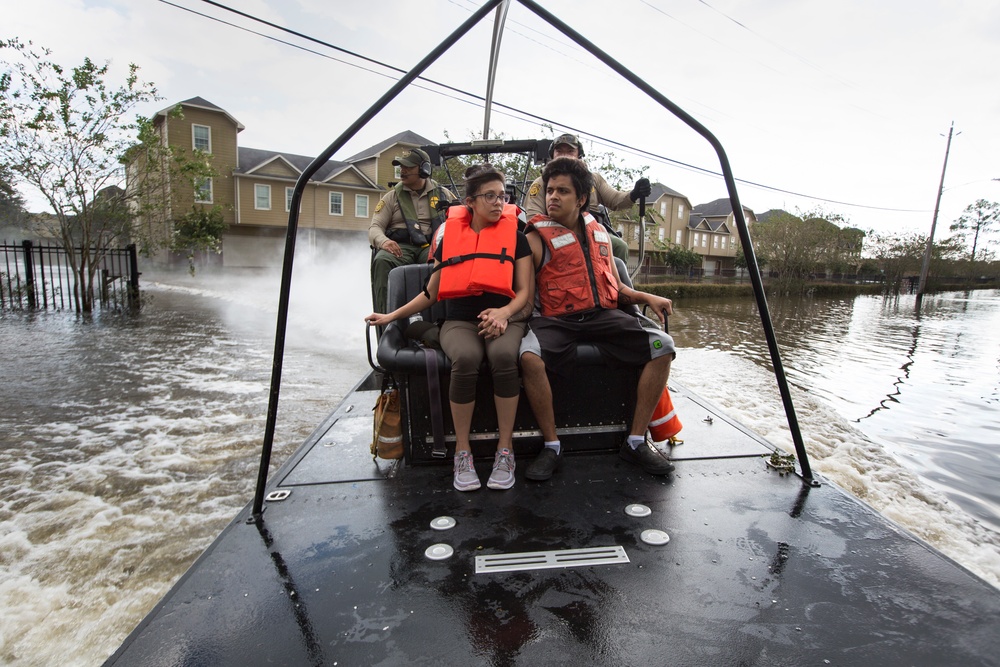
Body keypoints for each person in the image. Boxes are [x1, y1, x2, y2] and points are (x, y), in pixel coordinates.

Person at [365, 164, 534, 492]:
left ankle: (505, 449)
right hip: (459, 319)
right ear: (470, 201)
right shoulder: (451, 240)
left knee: (502, 356)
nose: (499, 203)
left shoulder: (517, 239)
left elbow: (525, 291)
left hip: (506, 316)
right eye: (490, 196)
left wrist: (503, 314)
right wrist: (389, 316)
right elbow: (431, 293)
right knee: (466, 359)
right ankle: (462, 451)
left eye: (503, 196)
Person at [519, 157, 676, 481]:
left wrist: (647, 297)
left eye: (562, 191)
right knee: (530, 357)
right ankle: (552, 445)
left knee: (663, 345)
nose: (552, 197)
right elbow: (523, 297)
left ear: (581, 199)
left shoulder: (599, 233)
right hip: (555, 320)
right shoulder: (534, 237)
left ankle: (634, 442)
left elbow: (614, 287)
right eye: (550, 190)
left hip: (602, 316)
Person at [523, 133, 651, 265]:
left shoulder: (592, 180)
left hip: (592, 233)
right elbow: (534, 218)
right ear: (552, 155)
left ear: (579, 155)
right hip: (555, 234)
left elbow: (615, 199)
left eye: (570, 151)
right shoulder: (542, 182)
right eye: (559, 151)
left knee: (619, 246)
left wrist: (635, 193)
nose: (564, 155)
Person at [368, 147, 457, 314]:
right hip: (401, 248)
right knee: (382, 261)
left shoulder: (444, 195)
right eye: (401, 167)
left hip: (431, 248)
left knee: (446, 261)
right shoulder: (391, 197)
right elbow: (374, 228)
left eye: (408, 167)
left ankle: (440, 317)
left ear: (424, 170)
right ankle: (385, 321)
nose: (402, 171)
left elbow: (460, 220)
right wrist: (384, 241)